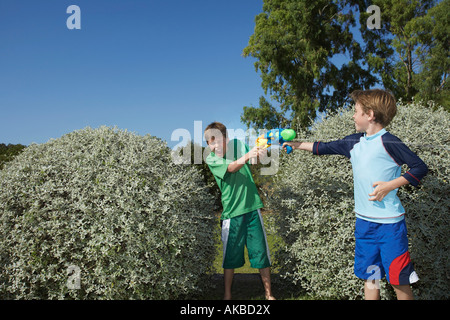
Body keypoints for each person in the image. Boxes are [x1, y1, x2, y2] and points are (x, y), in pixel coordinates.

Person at [283, 89, 428, 300]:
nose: (353, 115)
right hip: (364, 223)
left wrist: (389, 185)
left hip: (390, 226)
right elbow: (323, 147)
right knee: (371, 276)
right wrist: (295, 145)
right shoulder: (354, 142)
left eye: (356, 111)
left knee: (399, 279)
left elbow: (419, 167)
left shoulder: (389, 142)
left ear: (369, 114)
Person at [204, 121, 275, 300]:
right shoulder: (211, 158)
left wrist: (260, 153)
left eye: (217, 141)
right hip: (232, 212)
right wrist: (247, 156)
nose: (213, 146)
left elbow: (254, 160)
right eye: (209, 143)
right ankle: (227, 296)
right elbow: (231, 167)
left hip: (252, 207)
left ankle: (268, 295)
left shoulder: (238, 144)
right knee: (230, 257)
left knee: (261, 252)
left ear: (226, 139)